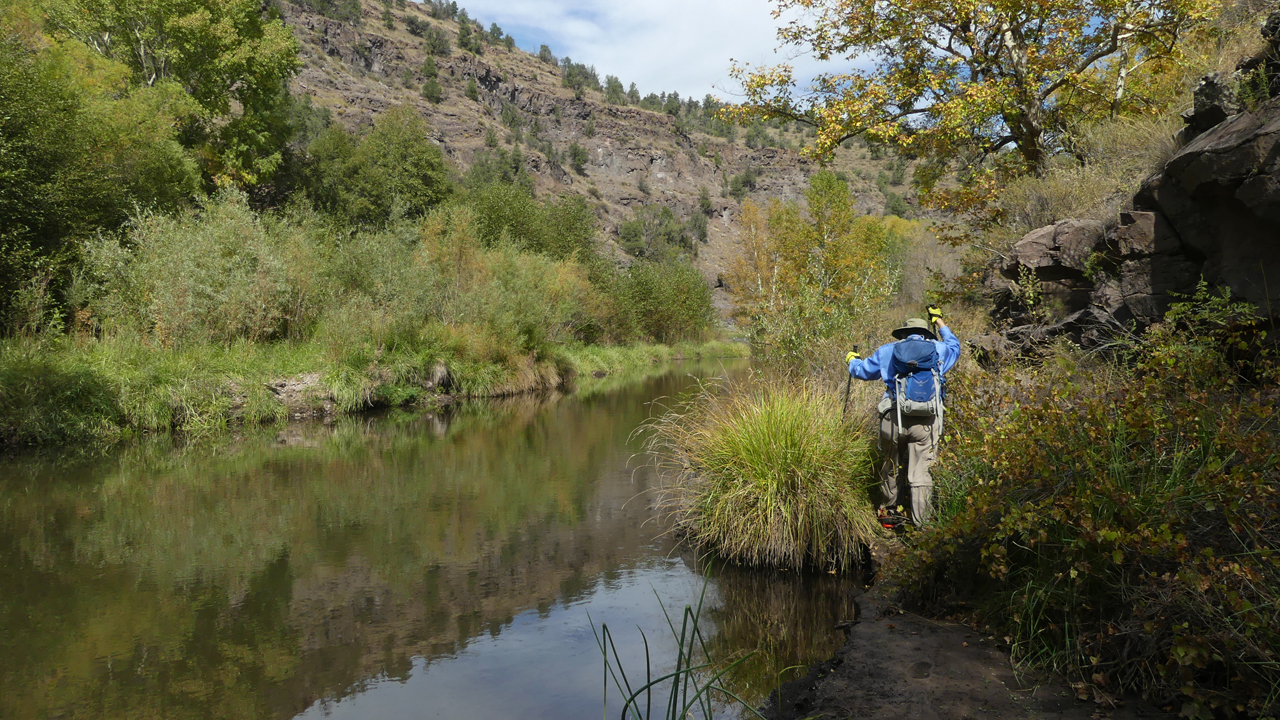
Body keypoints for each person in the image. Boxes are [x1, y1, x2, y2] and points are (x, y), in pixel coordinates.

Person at [845, 306, 960, 526]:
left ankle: (890, 514)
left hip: (893, 418)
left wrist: (852, 360)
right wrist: (939, 321)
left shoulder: (887, 350)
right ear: (925, 334)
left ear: (904, 334)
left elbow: (861, 371)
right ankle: (921, 523)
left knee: (890, 463)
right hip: (925, 421)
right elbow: (955, 345)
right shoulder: (938, 349)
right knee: (921, 470)